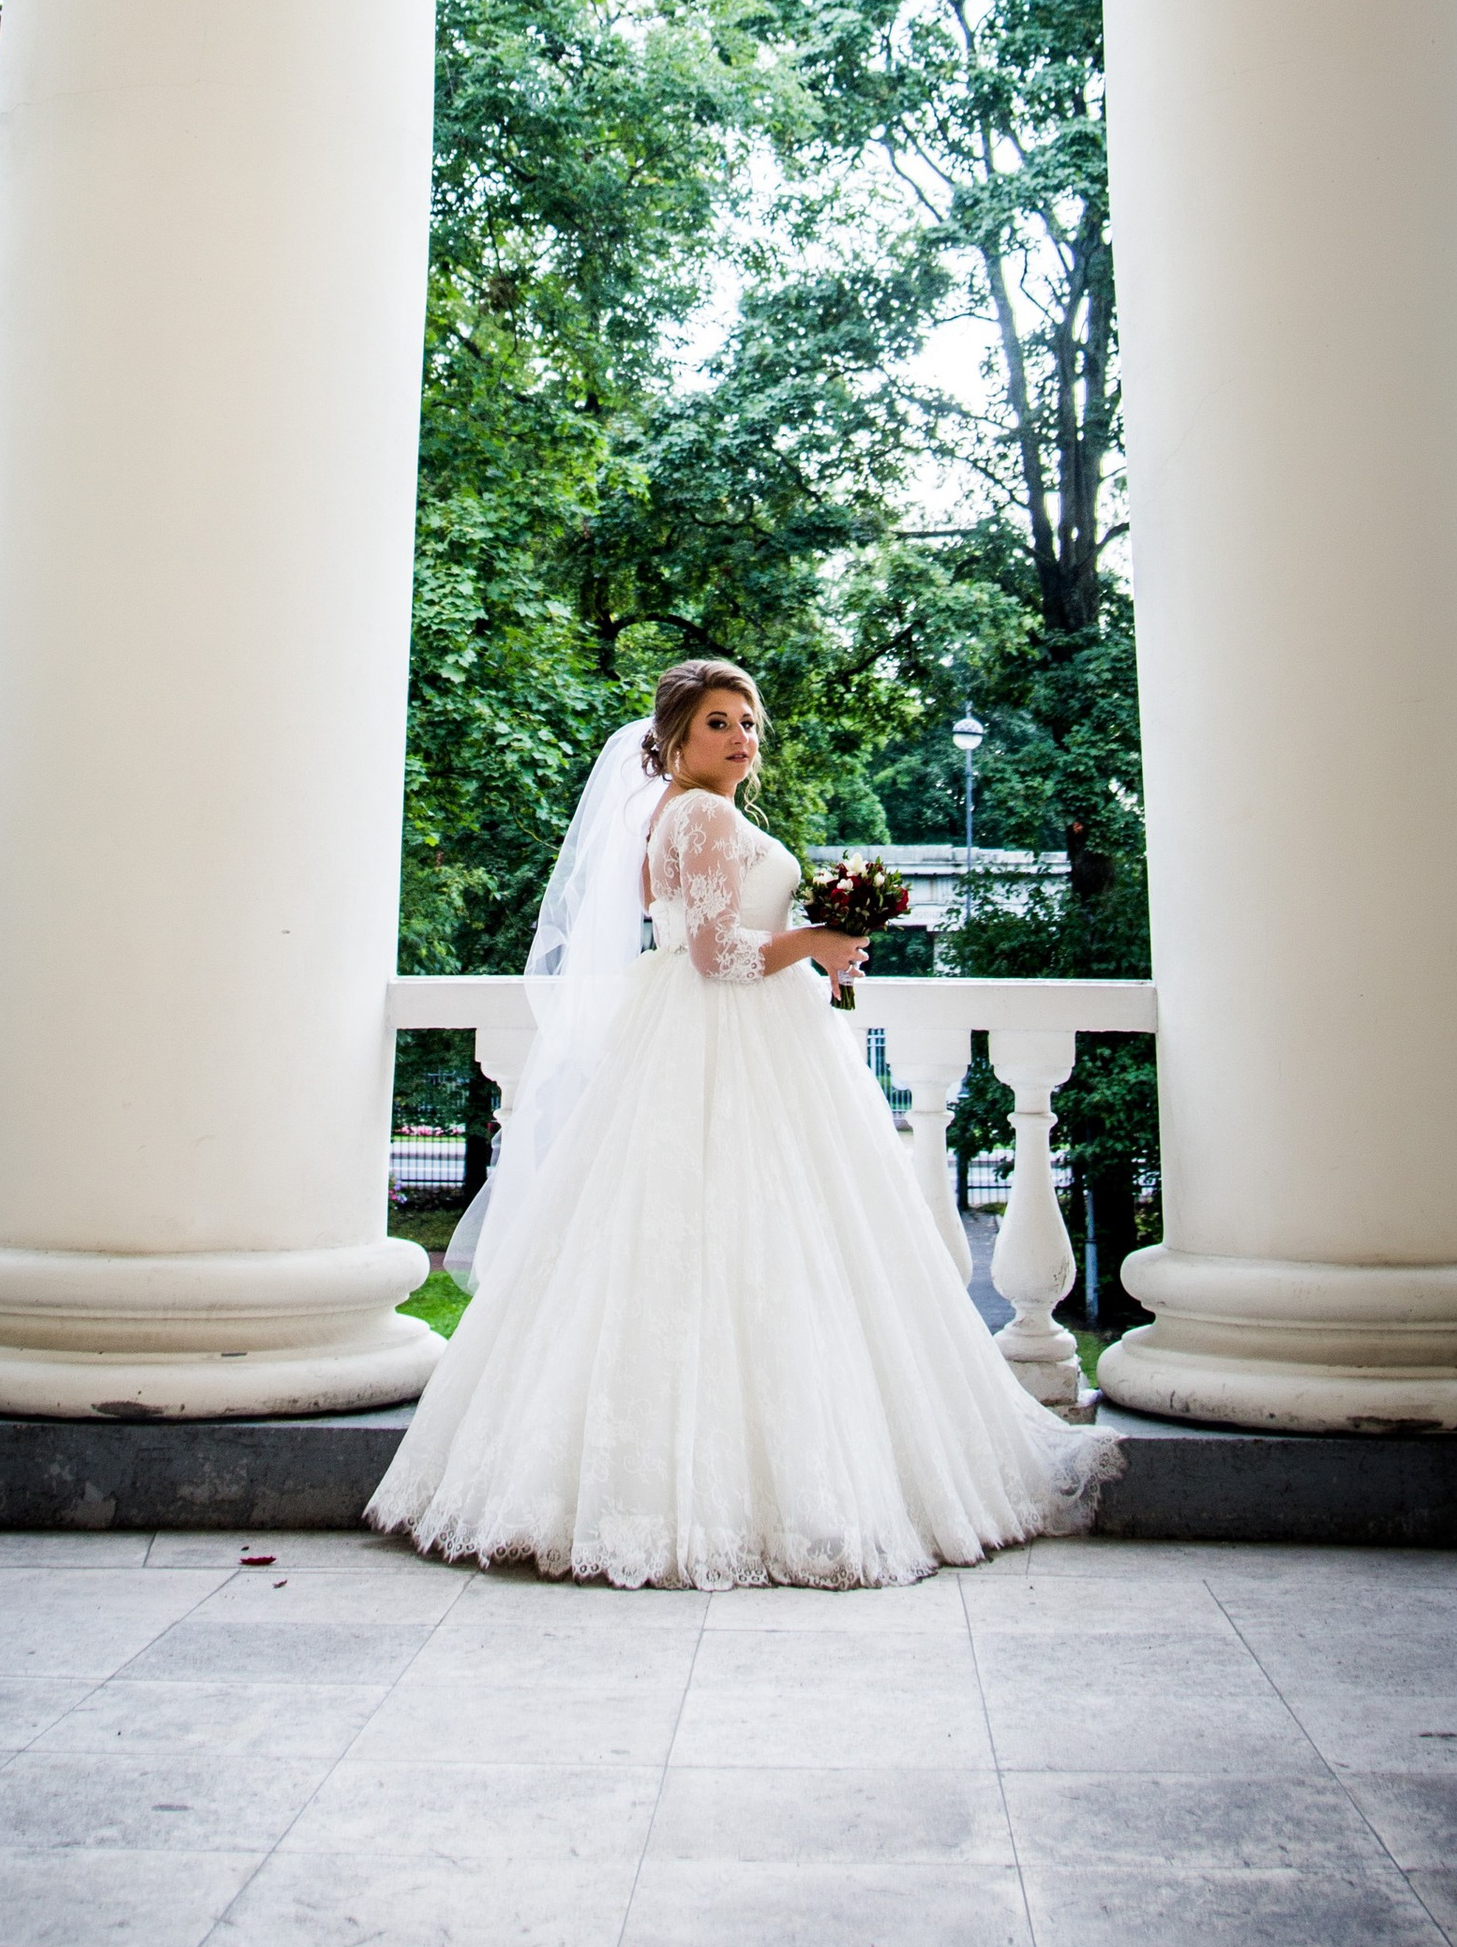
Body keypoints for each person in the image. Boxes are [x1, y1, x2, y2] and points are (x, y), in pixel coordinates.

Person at [366, 657, 1112, 1588]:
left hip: (699, 1028)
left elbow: (676, 921)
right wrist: (819, 941)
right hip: (728, 1032)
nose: (742, 737)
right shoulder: (705, 813)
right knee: (762, 1235)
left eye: (750, 722)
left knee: (693, 1240)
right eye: (719, 722)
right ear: (674, 738)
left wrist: (815, 948)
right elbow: (720, 956)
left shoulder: (672, 816)